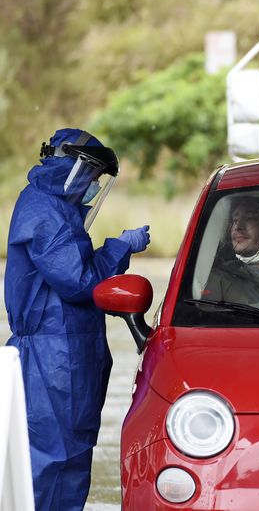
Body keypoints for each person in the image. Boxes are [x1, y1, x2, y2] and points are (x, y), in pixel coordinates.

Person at [4, 128, 150, 511]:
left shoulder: (57, 209)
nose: (93, 186)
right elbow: (78, 282)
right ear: (74, 168)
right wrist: (120, 246)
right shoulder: (43, 210)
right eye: (92, 177)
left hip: (69, 356)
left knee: (71, 461)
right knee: (47, 464)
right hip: (50, 362)